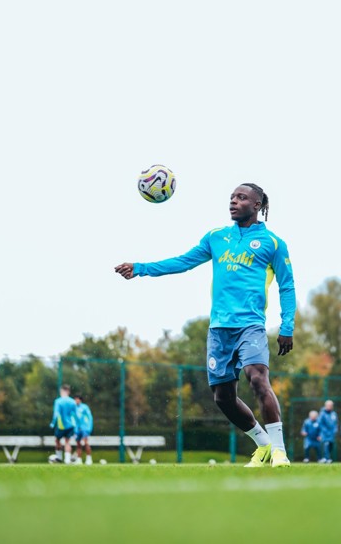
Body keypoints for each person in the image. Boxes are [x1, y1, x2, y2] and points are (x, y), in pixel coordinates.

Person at [115, 183, 296, 468]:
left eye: (241, 198)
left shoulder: (273, 243)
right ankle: (263, 445)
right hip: (219, 329)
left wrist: (287, 326)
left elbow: (287, 286)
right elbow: (183, 262)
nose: (233, 202)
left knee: (257, 377)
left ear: (258, 204)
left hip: (251, 325)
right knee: (223, 398)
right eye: (232, 197)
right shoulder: (216, 237)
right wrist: (140, 268)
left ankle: (280, 452)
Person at [49, 385, 78, 464]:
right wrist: (76, 425)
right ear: (68, 392)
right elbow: (75, 414)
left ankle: (59, 457)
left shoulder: (58, 401)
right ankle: (67, 460)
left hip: (61, 425)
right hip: (70, 425)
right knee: (67, 442)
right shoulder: (72, 401)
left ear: (61, 391)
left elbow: (56, 413)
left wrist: (53, 423)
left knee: (57, 440)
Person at [74, 394, 94, 465]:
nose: (76, 400)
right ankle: (79, 459)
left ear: (80, 400)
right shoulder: (73, 407)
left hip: (85, 428)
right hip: (77, 429)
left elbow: (90, 418)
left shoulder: (85, 407)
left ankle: (89, 459)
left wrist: (89, 427)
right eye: (75, 399)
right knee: (78, 444)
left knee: (85, 442)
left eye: (77, 399)